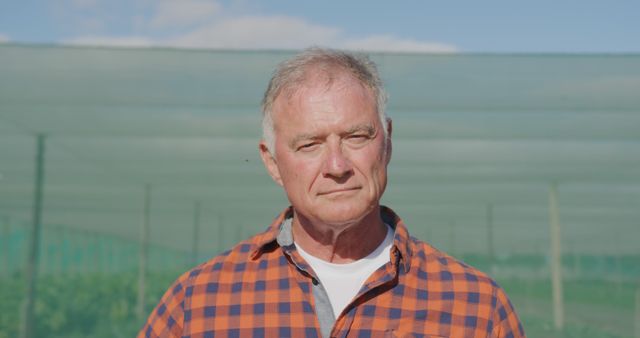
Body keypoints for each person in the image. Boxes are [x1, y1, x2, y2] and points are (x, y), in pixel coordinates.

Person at [139, 48, 526, 338]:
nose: (337, 166)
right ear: (272, 162)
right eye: (309, 145)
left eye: (357, 137)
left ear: (387, 143)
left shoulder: (475, 308)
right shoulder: (199, 303)